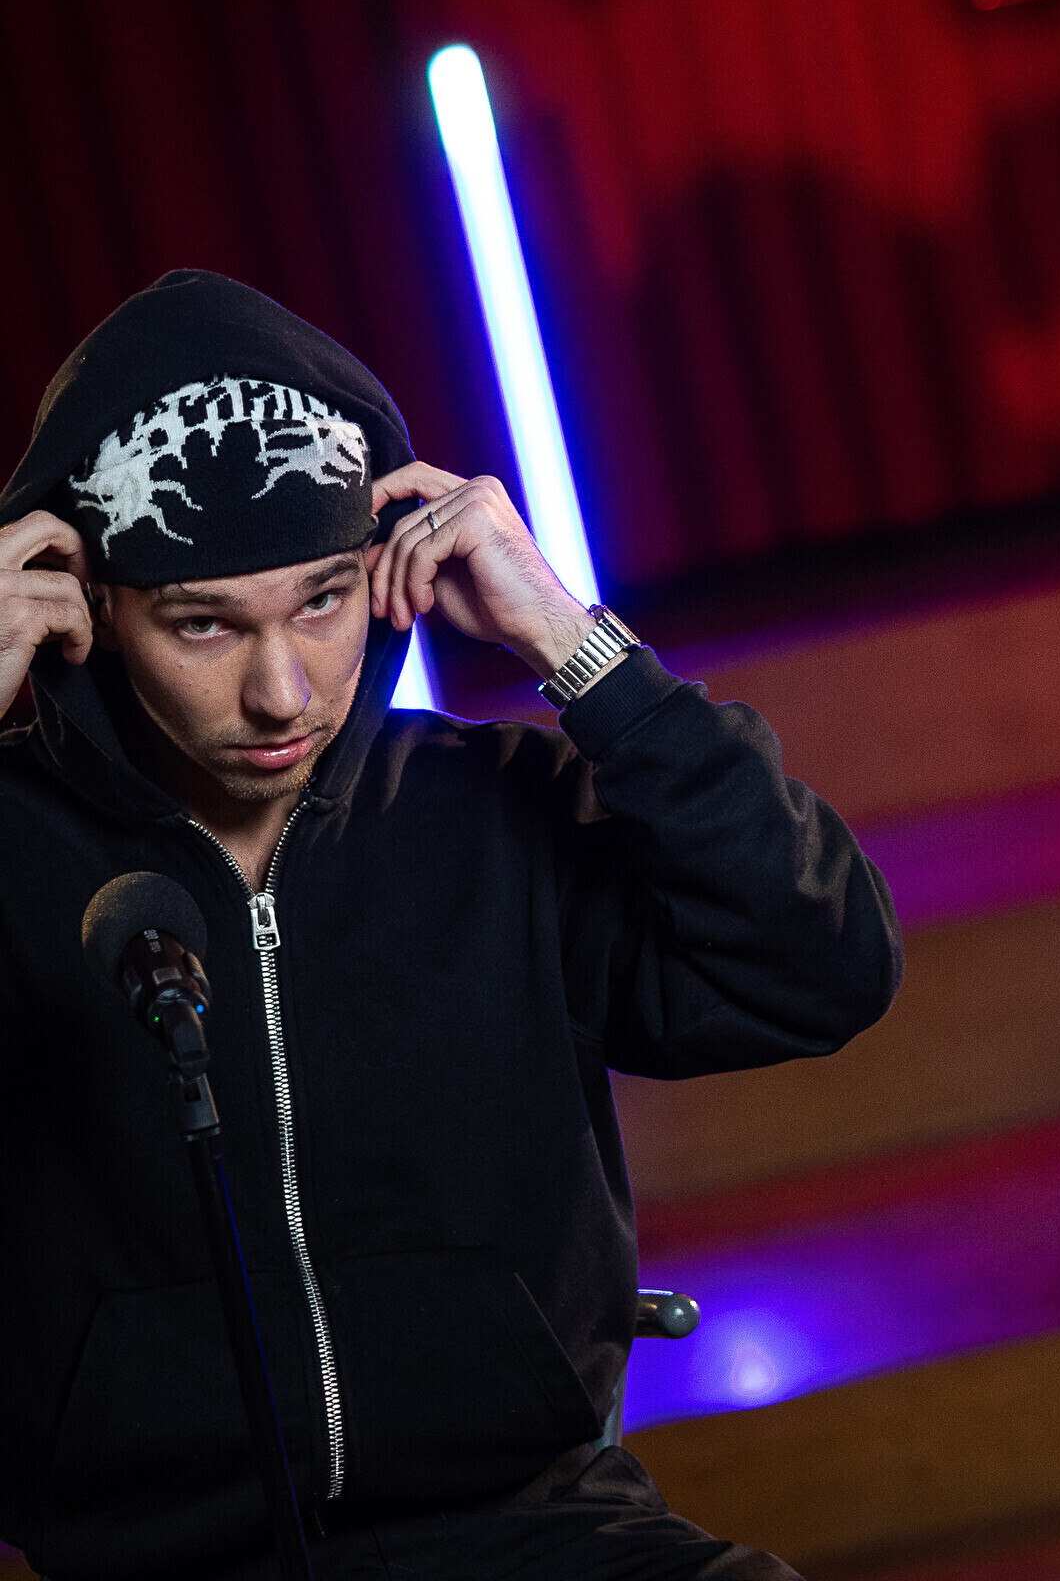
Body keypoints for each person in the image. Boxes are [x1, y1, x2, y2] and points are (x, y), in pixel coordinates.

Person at [0, 270, 903, 1579]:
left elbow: (822, 970)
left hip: (542, 1525)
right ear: (85, 607)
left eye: (322, 601)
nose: (282, 691)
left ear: (382, 568)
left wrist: (580, 653)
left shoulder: (494, 809)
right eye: (204, 625)